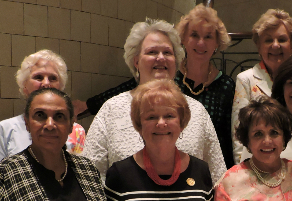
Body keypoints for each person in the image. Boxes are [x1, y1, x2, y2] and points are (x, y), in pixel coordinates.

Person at [83, 19, 226, 184]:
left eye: (167, 52)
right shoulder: (111, 109)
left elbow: (218, 177)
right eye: (152, 52)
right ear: (136, 62)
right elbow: (91, 176)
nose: (161, 58)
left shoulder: (197, 111)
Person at [232, 9, 292, 164]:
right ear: (258, 46)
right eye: (268, 40)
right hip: (256, 166)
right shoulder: (245, 80)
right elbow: (238, 136)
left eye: (282, 40)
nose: (275, 46)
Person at [175, 4, 235, 168]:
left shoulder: (226, 86)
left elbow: (228, 139)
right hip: (170, 167)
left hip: (211, 171)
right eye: (194, 35)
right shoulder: (170, 79)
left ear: (217, 42)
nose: (201, 43)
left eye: (208, 37)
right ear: (184, 39)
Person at [0, 49, 86, 160]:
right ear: (24, 85)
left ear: (60, 86)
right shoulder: (5, 129)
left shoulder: (77, 132)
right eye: (38, 77)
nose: (46, 83)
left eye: (53, 78)